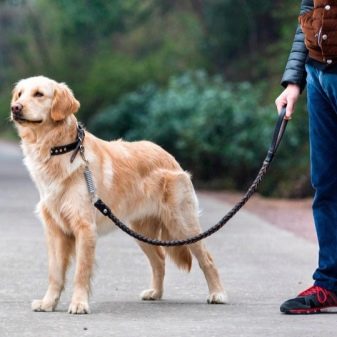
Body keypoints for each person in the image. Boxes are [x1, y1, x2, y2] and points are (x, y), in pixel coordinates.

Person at [275, 0, 337, 314]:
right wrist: (293, 81)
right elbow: (307, 12)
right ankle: (329, 283)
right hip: (317, 75)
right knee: (325, 185)